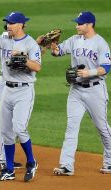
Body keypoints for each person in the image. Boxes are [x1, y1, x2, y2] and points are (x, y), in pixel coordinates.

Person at [0, 11, 41, 182]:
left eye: (11, 23)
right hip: (7, 89)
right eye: (7, 23)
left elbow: (37, 67)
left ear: (20, 25)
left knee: (19, 128)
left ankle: (31, 162)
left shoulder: (30, 43)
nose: (8, 26)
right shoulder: (4, 38)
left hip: (24, 91)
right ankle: (9, 169)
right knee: (6, 131)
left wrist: (23, 59)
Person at [51, 11, 111, 176]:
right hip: (76, 91)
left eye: (79, 23)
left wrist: (89, 73)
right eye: (76, 23)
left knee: (102, 127)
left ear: (89, 25)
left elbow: (106, 67)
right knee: (71, 127)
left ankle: (110, 161)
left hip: (95, 90)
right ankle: (66, 165)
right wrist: (54, 47)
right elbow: (58, 52)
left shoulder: (100, 43)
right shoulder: (74, 40)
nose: (76, 26)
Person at [0, 30, 23, 171]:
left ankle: (5, 158)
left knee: (10, 121)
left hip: (6, 80)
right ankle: (3, 159)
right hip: (6, 82)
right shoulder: (7, 38)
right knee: (7, 121)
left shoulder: (4, 38)